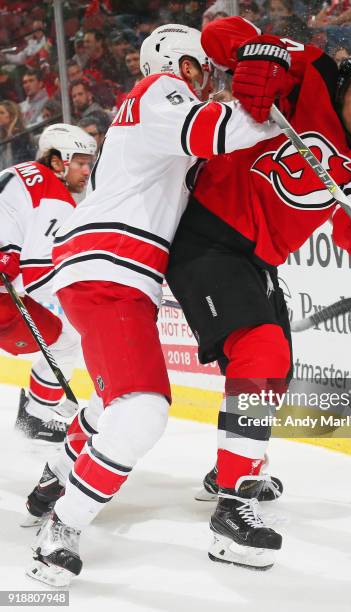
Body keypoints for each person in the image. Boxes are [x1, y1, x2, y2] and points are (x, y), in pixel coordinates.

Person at [26, 23, 283, 587]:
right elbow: (220, 129)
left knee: (111, 403)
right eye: (205, 68)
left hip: (119, 274)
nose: (209, 80)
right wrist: (267, 78)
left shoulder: (158, 116)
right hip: (108, 268)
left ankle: (52, 477)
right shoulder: (159, 90)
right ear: (181, 63)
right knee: (141, 411)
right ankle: (60, 530)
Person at [166, 17, 351, 570]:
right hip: (207, 236)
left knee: (277, 372)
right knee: (261, 351)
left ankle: (232, 464)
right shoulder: (315, 73)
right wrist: (257, 61)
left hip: (258, 263)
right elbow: (221, 33)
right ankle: (233, 507)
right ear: (347, 86)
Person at [0, 124, 96, 444]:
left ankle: (36, 414)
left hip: (5, 286)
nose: (86, 170)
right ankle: (37, 417)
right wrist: (85, 296)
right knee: (69, 337)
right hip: (2, 297)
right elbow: (37, 274)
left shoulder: (19, 170)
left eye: (89, 163)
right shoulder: (55, 196)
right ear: (58, 162)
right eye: (80, 162)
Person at [0, 99, 35, 167]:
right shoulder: (3, 137)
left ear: (12, 116)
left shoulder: (20, 136)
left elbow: (21, 162)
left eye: (2, 113)